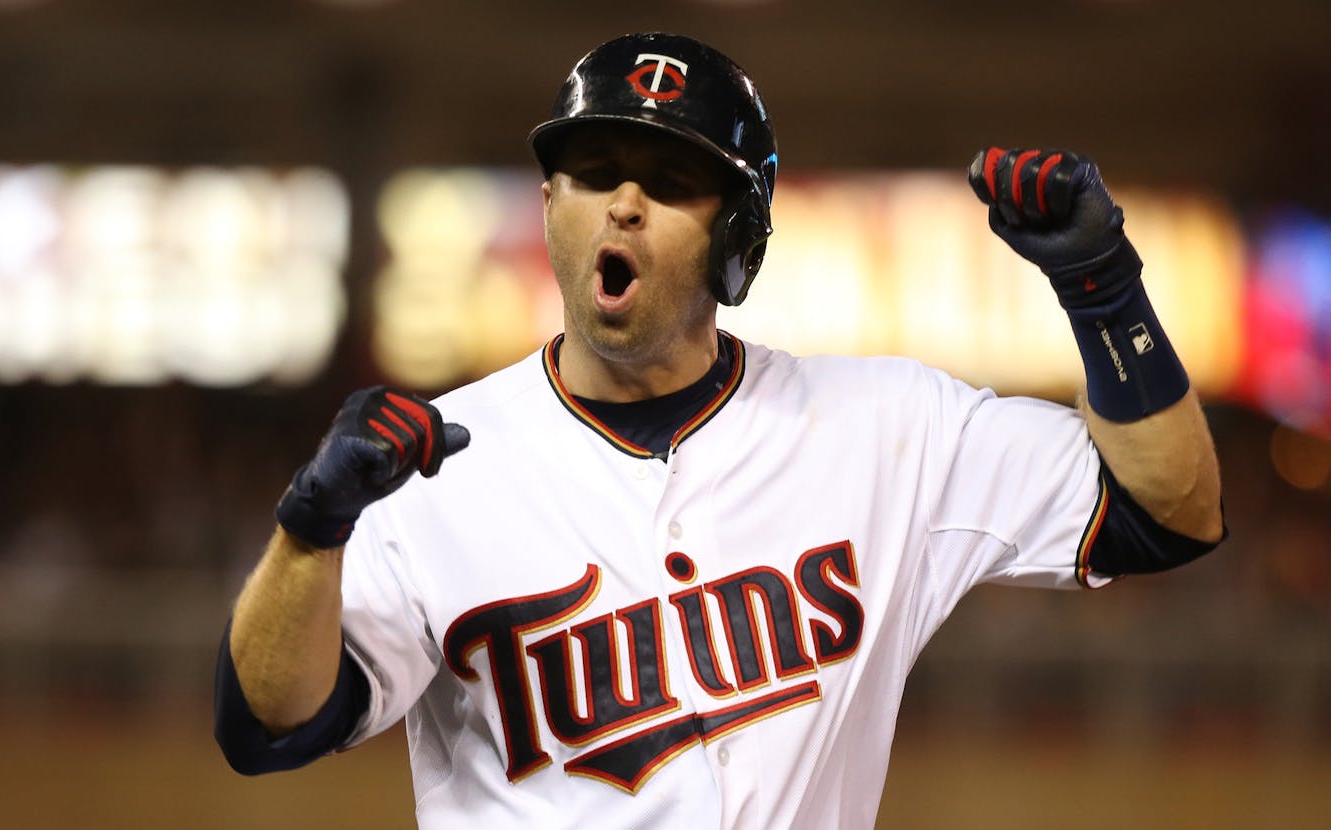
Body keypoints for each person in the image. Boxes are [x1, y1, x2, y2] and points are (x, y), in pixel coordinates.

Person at [214, 32, 1225, 829]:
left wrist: (1101, 292)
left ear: (738, 236)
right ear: (548, 204)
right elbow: (267, 725)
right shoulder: (430, 460)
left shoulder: (886, 428)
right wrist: (311, 530)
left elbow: (1165, 512)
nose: (621, 202)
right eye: (593, 169)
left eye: (668, 180)